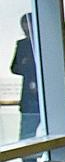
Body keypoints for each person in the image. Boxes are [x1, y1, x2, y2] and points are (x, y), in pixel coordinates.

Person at [10, 13, 40, 141]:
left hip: (41, 96)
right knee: (27, 135)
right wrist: (27, 66)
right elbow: (15, 68)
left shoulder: (42, 43)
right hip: (29, 98)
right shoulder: (22, 45)